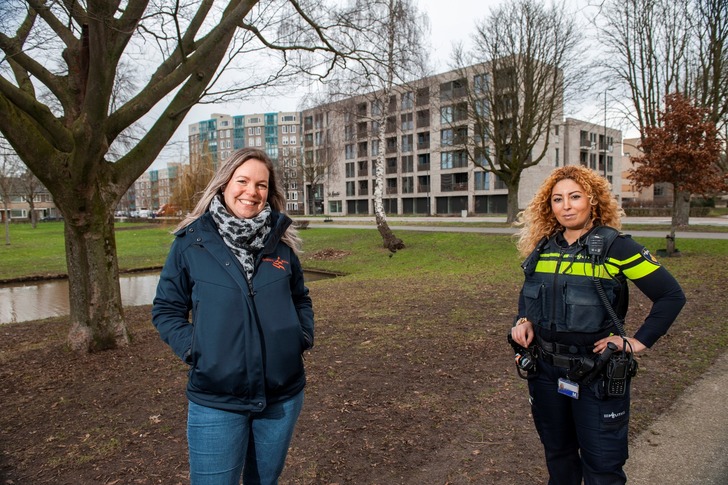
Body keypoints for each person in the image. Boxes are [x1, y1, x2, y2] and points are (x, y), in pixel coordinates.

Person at [510, 165, 685, 485]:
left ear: (592, 200)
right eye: (557, 199)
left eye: (575, 197)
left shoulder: (617, 247)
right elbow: (529, 294)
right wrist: (522, 321)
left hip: (596, 373)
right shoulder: (543, 247)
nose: (566, 205)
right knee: (558, 456)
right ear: (549, 206)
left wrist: (637, 341)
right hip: (545, 373)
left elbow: (671, 296)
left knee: (602, 467)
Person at [152, 147, 314, 485]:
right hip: (217, 398)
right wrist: (197, 348)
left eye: (261, 185)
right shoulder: (190, 243)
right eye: (243, 181)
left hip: (281, 395)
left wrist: (301, 336)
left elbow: (300, 297)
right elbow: (167, 310)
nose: (252, 192)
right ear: (224, 184)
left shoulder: (281, 243)